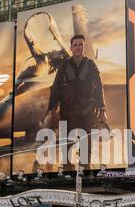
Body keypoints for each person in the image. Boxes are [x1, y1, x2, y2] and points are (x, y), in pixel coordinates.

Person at [45, 34, 108, 169]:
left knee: (86, 144)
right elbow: (56, 87)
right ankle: (68, 170)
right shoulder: (64, 66)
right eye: (75, 45)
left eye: (80, 45)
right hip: (67, 112)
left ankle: (85, 170)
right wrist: (52, 109)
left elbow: (99, 86)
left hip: (87, 112)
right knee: (66, 145)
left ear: (84, 47)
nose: (78, 47)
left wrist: (102, 110)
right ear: (71, 48)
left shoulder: (91, 65)